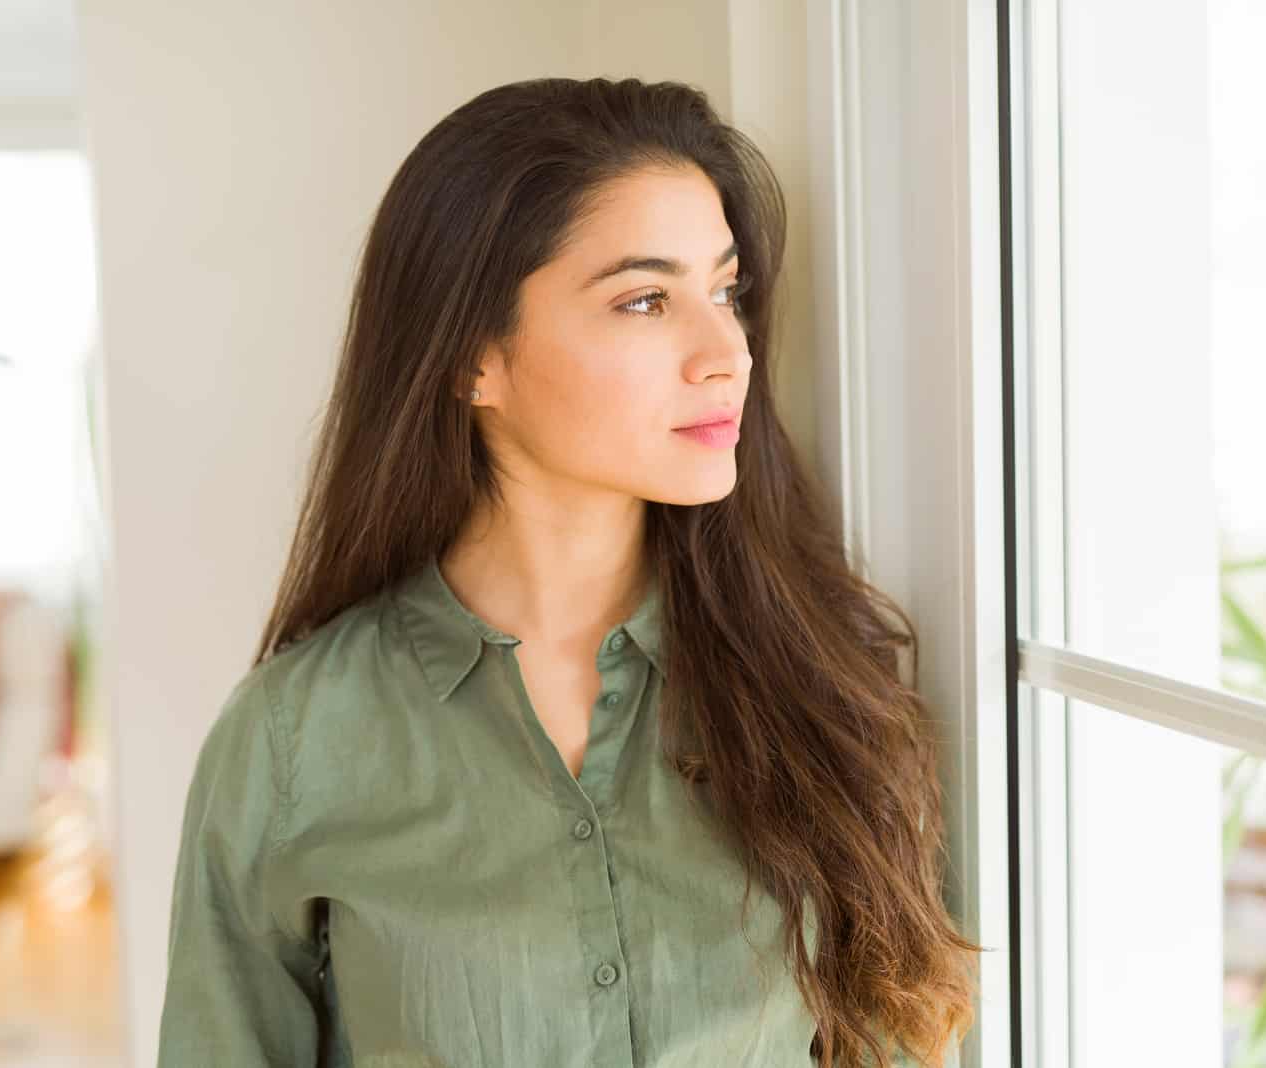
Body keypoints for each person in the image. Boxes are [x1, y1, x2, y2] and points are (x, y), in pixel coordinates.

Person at [157, 76, 981, 1068]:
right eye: (644, 300)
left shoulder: (824, 684)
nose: (727, 352)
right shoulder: (293, 741)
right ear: (472, 358)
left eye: (724, 291)